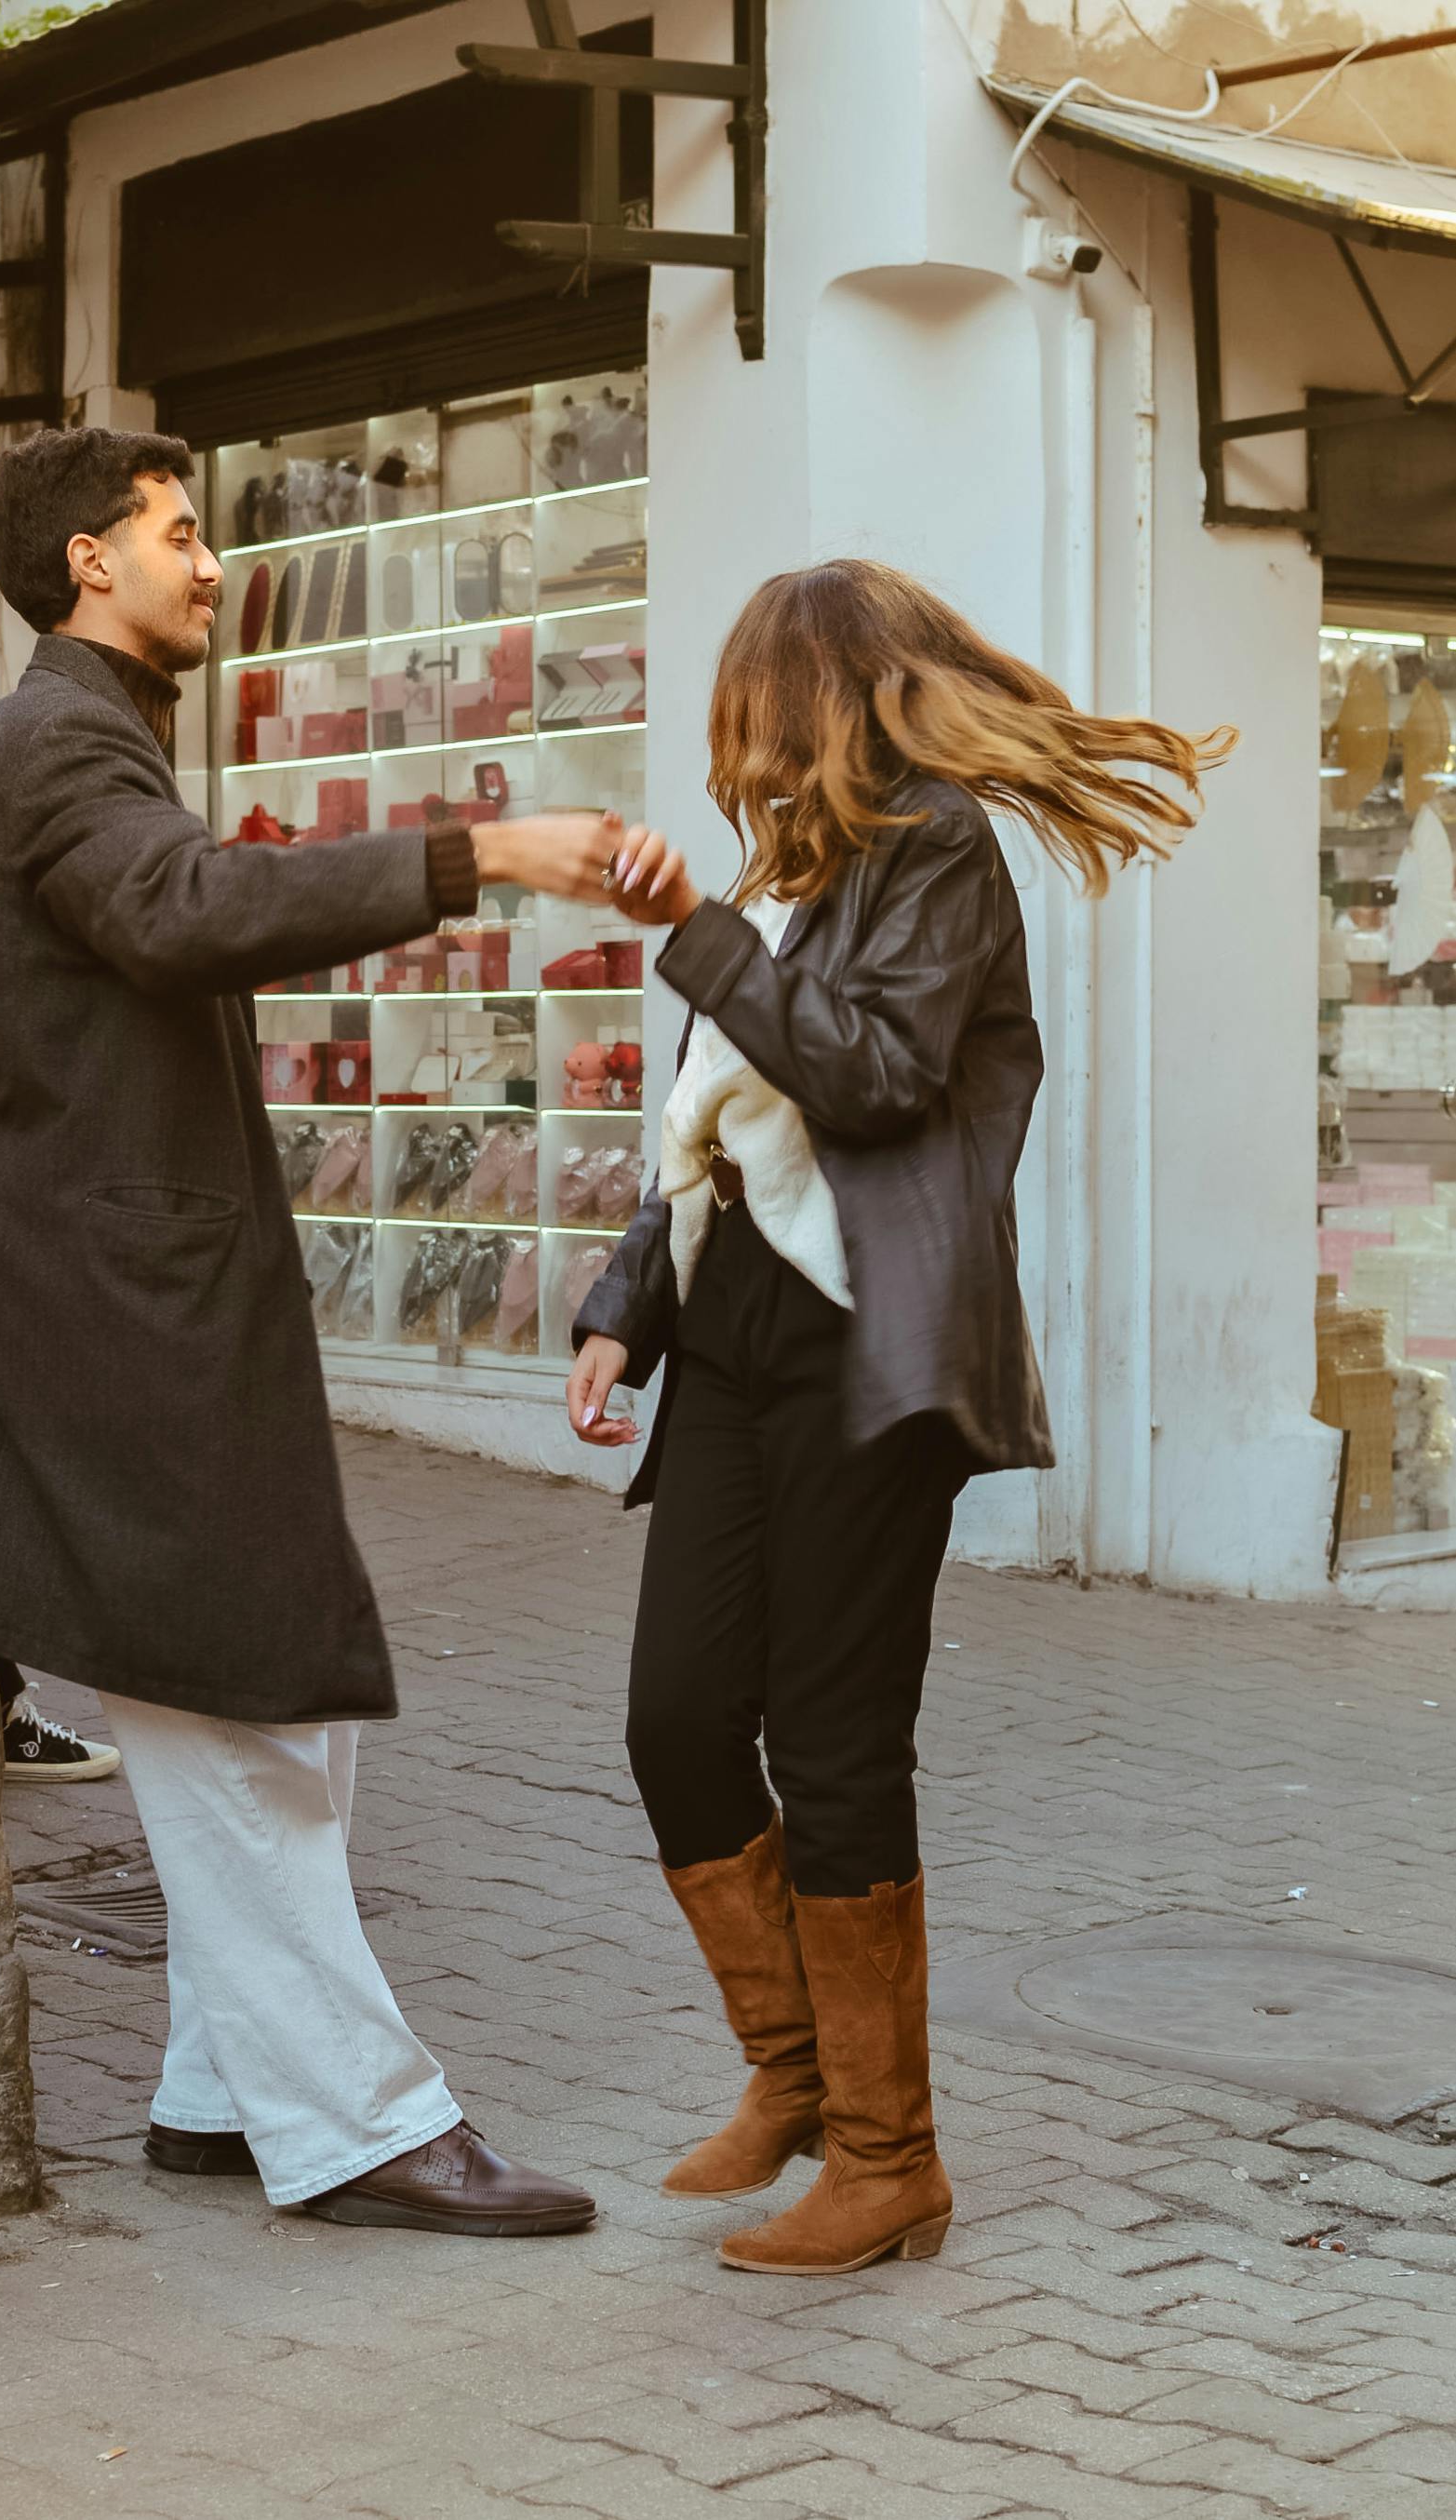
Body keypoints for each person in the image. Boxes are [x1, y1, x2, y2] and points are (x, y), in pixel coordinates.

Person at [0, 424, 634, 2238]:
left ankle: (216, 2090)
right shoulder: (60, 737)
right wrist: (476, 851)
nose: (205, 562)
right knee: (233, 1717)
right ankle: (358, 2121)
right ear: (89, 561)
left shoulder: (79, 732)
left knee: (286, 1708)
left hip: (141, 1302)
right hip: (117, 1317)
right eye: (175, 534)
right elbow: (177, 910)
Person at [567, 559, 1232, 2276]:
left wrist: (698, 940)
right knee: (678, 1719)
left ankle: (890, 2160)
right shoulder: (794, 879)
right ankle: (792, 2080)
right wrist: (624, 1315)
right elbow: (713, 1131)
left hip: (874, 1358)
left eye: (749, 721)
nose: (736, 761)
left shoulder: (937, 850)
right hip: (733, 1352)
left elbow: (864, 1079)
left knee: (833, 1742)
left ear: (816, 703)